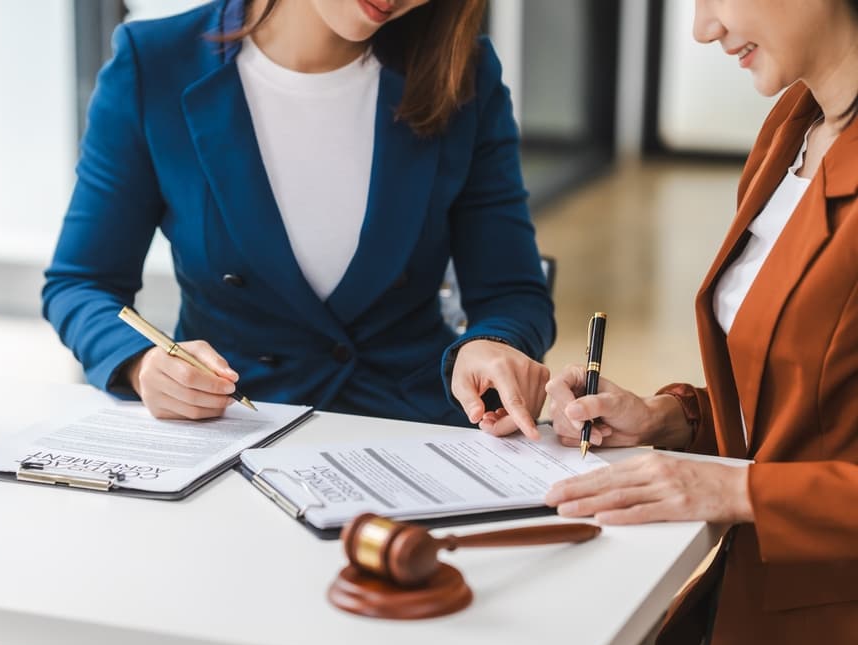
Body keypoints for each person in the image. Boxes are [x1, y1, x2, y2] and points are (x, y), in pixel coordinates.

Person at [42, 0, 554, 437]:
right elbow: (82, 282)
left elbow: (512, 292)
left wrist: (493, 344)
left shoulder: (462, 70)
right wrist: (141, 363)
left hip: (413, 437)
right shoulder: (154, 64)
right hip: (234, 436)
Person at [543, 1, 858, 645]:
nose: (702, 29)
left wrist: (735, 489)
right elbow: (810, 409)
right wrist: (675, 419)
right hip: (754, 609)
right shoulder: (793, 127)